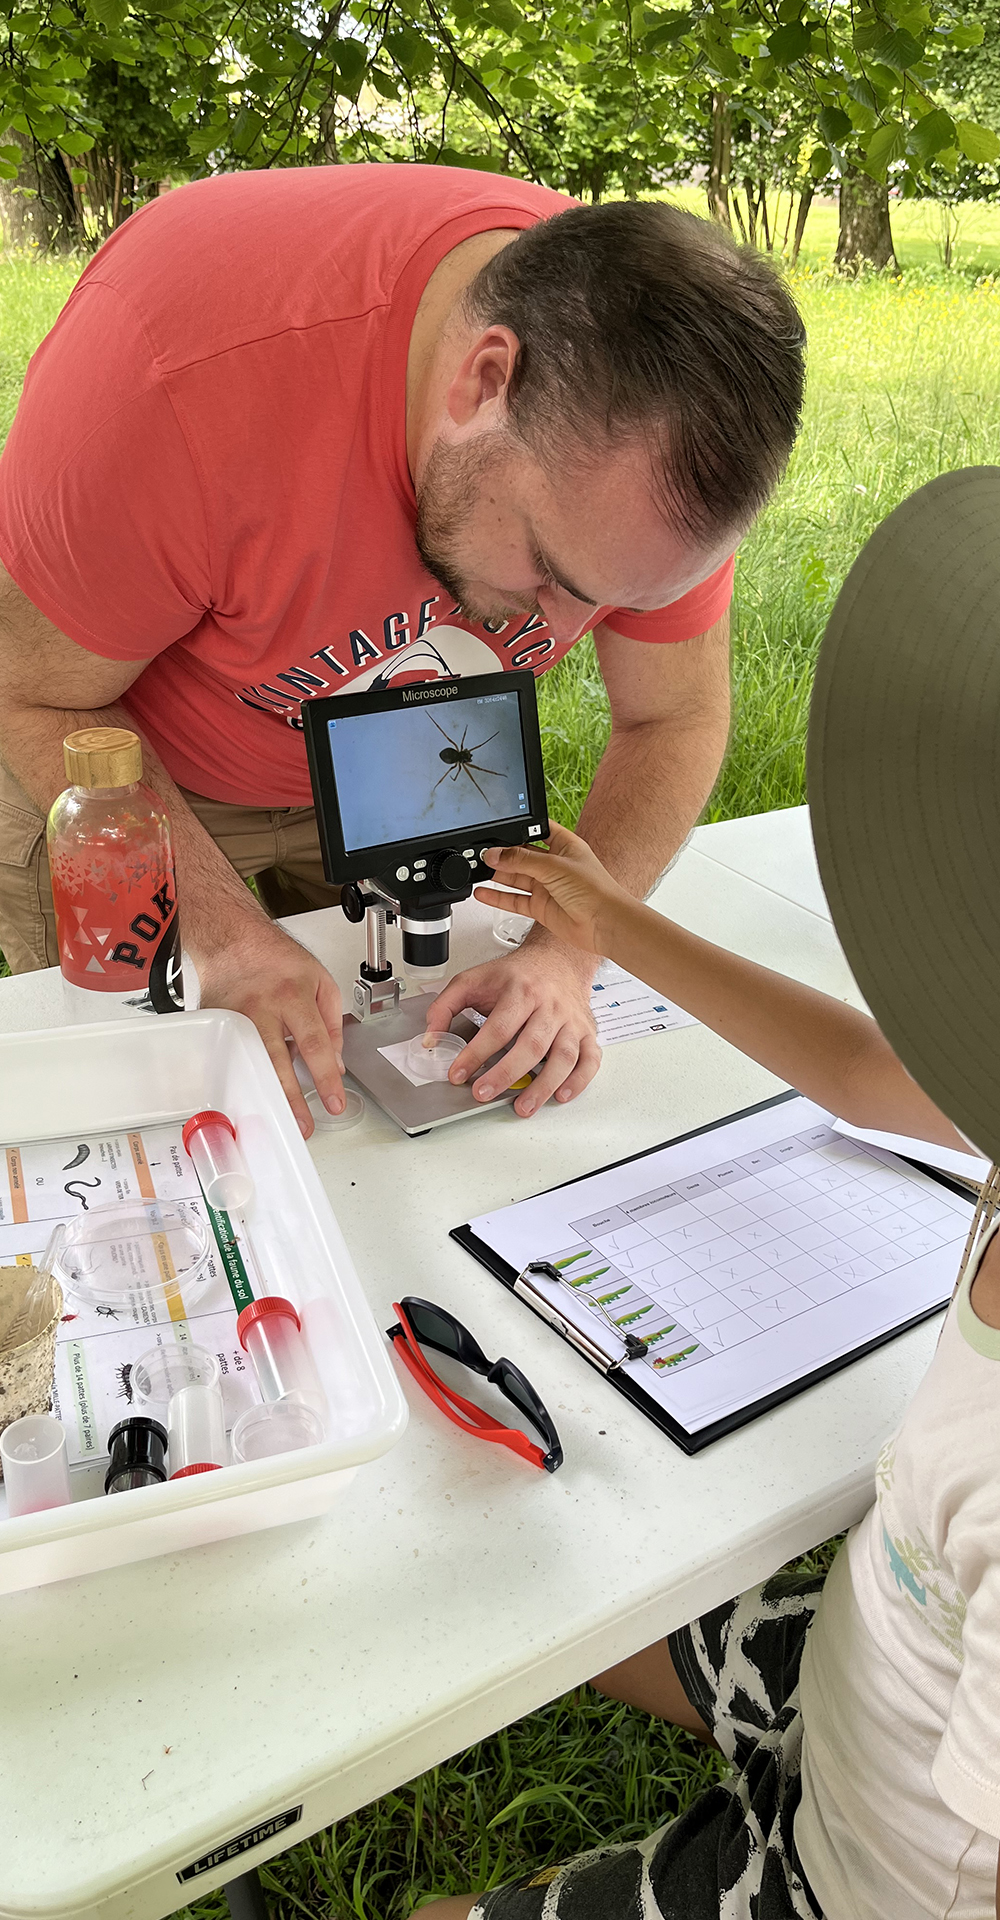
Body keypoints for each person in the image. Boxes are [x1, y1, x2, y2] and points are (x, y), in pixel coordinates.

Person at [420, 466, 1000, 1918]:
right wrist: (608, 921)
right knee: (535, 1579)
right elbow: (870, 1072)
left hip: (855, 1876)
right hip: (881, 1639)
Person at [0, 164, 805, 1135]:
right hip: (132, 766)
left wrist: (565, 951)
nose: (561, 629)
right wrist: (223, 934)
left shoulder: (662, 439)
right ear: (484, 382)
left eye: (615, 600)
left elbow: (671, 714)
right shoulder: (179, 379)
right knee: (137, 1098)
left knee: (392, 1098)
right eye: (550, 569)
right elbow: (34, 694)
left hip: (402, 754)